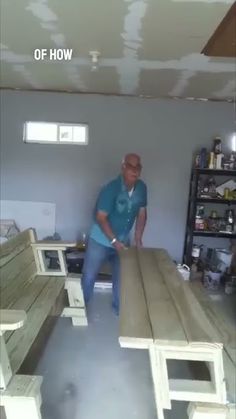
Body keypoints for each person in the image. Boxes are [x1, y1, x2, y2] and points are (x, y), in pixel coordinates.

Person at [82, 153, 147, 315]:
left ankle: (119, 308)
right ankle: (80, 307)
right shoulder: (111, 188)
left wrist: (138, 238)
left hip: (123, 241)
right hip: (100, 240)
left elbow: (142, 213)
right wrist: (113, 240)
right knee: (89, 276)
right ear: (123, 167)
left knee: (121, 277)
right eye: (131, 166)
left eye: (138, 167)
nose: (135, 170)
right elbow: (101, 217)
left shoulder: (142, 188)